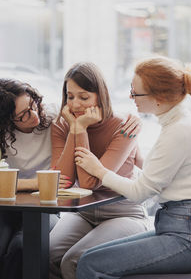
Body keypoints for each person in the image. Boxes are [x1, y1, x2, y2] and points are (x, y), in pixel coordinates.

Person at [76, 56, 191, 279]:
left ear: (158, 98)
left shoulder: (178, 131)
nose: (131, 97)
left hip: (185, 235)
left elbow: (140, 193)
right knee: (88, 257)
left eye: (136, 92)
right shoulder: (179, 123)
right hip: (176, 225)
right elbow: (165, 172)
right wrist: (133, 152)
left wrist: (98, 169)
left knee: (91, 264)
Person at [49, 62, 151, 279]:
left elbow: (89, 183)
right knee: (48, 253)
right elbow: (63, 181)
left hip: (124, 214)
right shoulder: (62, 124)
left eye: (84, 97)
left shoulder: (124, 126)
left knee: (74, 261)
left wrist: (81, 129)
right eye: (70, 96)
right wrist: (75, 129)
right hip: (83, 213)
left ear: (100, 96)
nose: (75, 104)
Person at [0, 78, 59, 279]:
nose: (34, 114)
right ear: (6, 120)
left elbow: (98, 109)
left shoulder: (53, 114)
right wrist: (35, 184)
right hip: (7, 205)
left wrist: (129, 119)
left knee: (21, 246)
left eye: (33, 104)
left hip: (45, 205)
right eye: (23, 115)